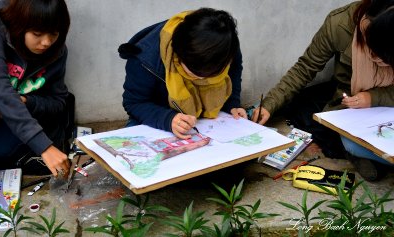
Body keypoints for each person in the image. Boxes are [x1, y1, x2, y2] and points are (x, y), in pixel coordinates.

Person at [250, 0, 394, 181]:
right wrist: (270, 105)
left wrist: (374, 97)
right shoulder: (340, 24)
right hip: (353, 109)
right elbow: (305, 69)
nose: (379, 62)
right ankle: (370, 157)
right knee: (351, 142)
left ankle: (375, 159)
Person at [119, 8, 246, 140]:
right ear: (178, 54)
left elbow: (234, 70)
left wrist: (232, 104)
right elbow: (134, 103)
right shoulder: (144, 59)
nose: (202, 79)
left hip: (205, 119)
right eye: (193, 73)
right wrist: (168, 119)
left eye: (212, 75)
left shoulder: (225, 47)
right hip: (156, 114)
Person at [0, 0, 73, 178]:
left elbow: (59, 102)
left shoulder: (58, 50)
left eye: (54, 34)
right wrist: (43, 146)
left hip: (20, 121)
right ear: (19, 25)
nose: (46, 43)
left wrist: (27, 102)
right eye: (37, 34)